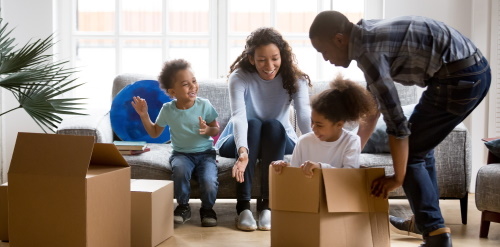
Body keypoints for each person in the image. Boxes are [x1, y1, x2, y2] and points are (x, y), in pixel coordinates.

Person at [309, 11, 491, 247]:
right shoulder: (366, 32)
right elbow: (373, 107)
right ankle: (426, 222)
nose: (325, 59)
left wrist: (397, 178)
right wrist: (351, 153)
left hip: (459, 77)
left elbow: (398, 126)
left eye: (324, 51)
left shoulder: (368, 53)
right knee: (421, 147)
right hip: (472, 70)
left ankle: (435, 235)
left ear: (339, 39)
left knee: (413, 149)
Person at [215, 27, 312, 231]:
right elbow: (239, 117)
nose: (269, 66)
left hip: (278, 138)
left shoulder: (296, 79)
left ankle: (268, 207)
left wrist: (315, 147)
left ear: (282, 56)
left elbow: (304, 116)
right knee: (254, 124)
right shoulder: (239, 77)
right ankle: (243, 208)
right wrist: (242, 152)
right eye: (261, 60)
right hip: (239, 139)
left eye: (275, 58)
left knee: (273, 125)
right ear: (251, 59)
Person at [131, 59, 220, 227]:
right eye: (186, 84)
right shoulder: (168, 109)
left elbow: (215, 129)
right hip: (181, 154)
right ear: (173, 92)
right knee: (179, 171)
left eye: (194, 81)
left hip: (206, 154)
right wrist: (144, 115)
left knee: (209, 180)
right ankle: (183, 207)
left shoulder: (204, 105)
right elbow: (155, 132)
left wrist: (207, 130)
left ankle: (207, 209)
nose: (193, 86)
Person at [271, 75, 377, 176]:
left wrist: (321, 167)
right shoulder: (304, 141)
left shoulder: (351, 141)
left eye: (319, 125)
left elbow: (349, 175)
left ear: (339, 124)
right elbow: (295, 172)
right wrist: (283, 166)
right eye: (312, 122)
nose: (313, 128)